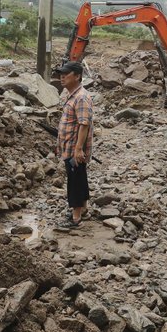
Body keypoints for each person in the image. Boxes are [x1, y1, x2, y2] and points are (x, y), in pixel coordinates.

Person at [55, 61, 93, 228]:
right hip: (69, 146)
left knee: (75, 180)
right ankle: (83, 208)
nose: (62, 77)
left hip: (74, 149)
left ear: (77, 76)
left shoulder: (81, 97)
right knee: (80, 176)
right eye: (61, 74)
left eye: (66, 74)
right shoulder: (72, 95)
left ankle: (76, 218)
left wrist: (78, 149)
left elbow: (84, 124)